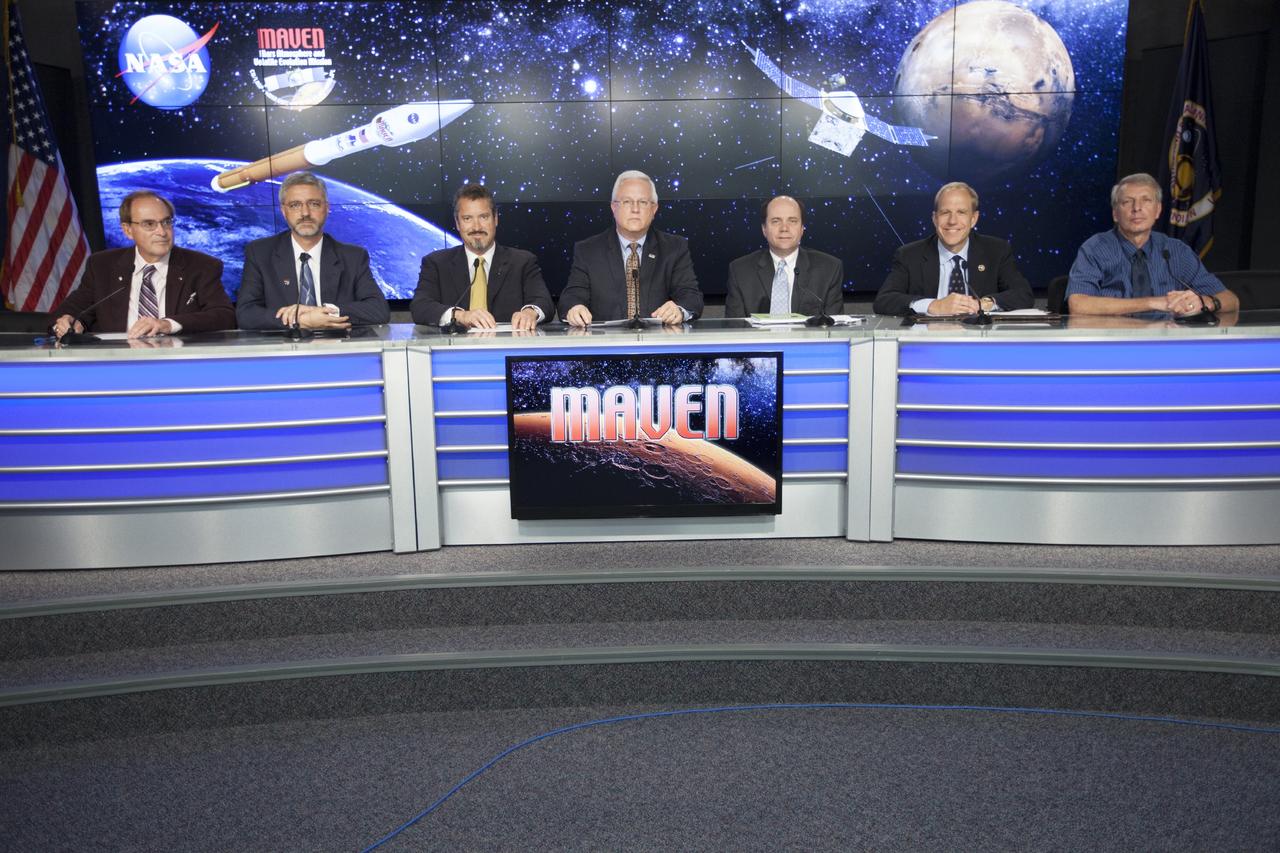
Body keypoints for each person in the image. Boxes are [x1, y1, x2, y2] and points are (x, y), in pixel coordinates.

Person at [50, 191, 234, 338]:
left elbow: (225, 316)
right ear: (128, 230)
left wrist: (167, 324)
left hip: (178, 363)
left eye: (166, 222)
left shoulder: (201, 266)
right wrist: (70, 321)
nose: (161, 232)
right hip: (117, 365)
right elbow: (69, 311)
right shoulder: (102, 266)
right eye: (149, 224)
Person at [1066, 172, 1237, 316]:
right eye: (1127, 202)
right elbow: (1078, 305)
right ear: (1115, 214)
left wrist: (1204, 302)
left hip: (1167, 345)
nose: (1137, 208)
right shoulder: (1095, 248)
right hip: (1113, 344)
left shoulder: (1176, 251)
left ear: (1158, 210)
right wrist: (1153, 302)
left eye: (1146, 200)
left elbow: (1231, 300)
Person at [236, 171, 390, 331]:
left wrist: (325, 313)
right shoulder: (260, 253)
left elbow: (379, 310)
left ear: (327, 208)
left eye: (314, 204)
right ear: (283, 211)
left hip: (338, 351)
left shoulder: (353, 257)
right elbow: (246, 314)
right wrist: (300, 320)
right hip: (283, 351)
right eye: (295, 205)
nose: (305, 213)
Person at [558, 170, 703, 326]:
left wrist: (679, 310)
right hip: (606, 344)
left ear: (654, 209)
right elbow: (571, 297)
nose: (635, 209)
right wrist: (575, 308)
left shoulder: (674, 248)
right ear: (614, 207)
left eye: (642, 202)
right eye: (627, 202)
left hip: (659, 344)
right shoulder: (588, 250)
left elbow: (691, 297)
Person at [873, 182, 1033, 316]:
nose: (952, 221)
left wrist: (984, 304)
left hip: (981, 342)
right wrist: (933, 306)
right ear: (935, 219)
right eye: (945, 213)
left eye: (961, 212)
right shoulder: (909, 255)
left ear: (973, 219)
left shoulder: (996, 251)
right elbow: (884, 301)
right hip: (927, 341)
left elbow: (1023, 294)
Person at [410, 184, 553, 331]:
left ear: (495, 219)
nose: (476, 227)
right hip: (454, 350)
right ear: (457, 223)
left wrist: (530, 312)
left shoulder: (522, 262)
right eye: (467, 218)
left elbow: (544, 303)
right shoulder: (436, 263)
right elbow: (420, 307)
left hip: (506, 349)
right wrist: (460, 315)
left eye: (483, 217)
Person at [725, 195, 843, 317]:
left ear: (802, 228)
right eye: (776, 221)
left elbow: (833, 329)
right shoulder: (740, 270)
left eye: (792, 221)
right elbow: (735, 328)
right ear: (764, 229)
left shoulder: (829, 268)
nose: (784, 228)